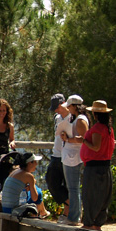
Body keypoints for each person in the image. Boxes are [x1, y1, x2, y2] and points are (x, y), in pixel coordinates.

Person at [80, 100, 116, 231]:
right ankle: (98, 223)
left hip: (94, 167)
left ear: (95, 115)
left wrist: (83, 141)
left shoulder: (97, 129)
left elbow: (96, 147)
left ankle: (88, 223)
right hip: (105, 166)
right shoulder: (108, 129)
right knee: (104, 196)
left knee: (89, 195)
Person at [59, 95, 88, 226]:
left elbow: (83, 139)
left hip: (74, 157)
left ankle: (74, 217)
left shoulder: (80, 120)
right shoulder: (76, 119)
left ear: (74, 106)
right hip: (71, 156)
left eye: (69, 107)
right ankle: (74, 216)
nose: (68, 109)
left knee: (73, 188)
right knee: (72, 188)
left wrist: (68, 139)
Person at [0, 152, 50, 217]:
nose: (36, 164)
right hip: (14, 210)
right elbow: (35, 198)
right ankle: (41, 214)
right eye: (35, 162)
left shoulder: (15, 171)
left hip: (5, 208)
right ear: (30, 163)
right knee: (38, 192)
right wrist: (32, 184)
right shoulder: (29, 176)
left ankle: (42, 212)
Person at [46, 94, 70, 222]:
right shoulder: (57, 117)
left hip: (68, 155)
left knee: (68, 185)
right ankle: (71, 204)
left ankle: (68, 213)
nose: (56, 110)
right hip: (56, 154)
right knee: (51, 181)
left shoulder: (72, 117)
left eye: (58, 107)